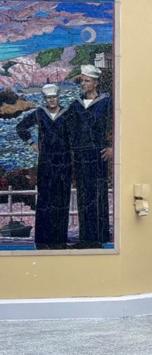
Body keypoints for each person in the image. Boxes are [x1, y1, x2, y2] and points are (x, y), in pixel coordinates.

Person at [16, 84, 72, 249]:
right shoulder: (40, 114)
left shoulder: (67, 114)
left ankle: (60, 240)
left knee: (62, 201)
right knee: (45, 201)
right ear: (45, 99)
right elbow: (20, 127)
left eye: (54, 97)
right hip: (46, 163)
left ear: (58, 96)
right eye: (48, 98)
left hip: (64, 163)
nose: (52, 100)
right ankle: (42, 240)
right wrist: (32, 143)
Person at [67, 65, 112, 248]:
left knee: (98, 194)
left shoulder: (106, 103)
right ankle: (86, 237)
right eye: (82, 81)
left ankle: (99, 236)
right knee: (84, 195)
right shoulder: (76, 105)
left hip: (98, 153)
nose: (83, 84)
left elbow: (115, 124)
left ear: (96, 83)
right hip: (80, 154)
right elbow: (66, 126)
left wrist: (111, 146)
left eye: (87, 81)